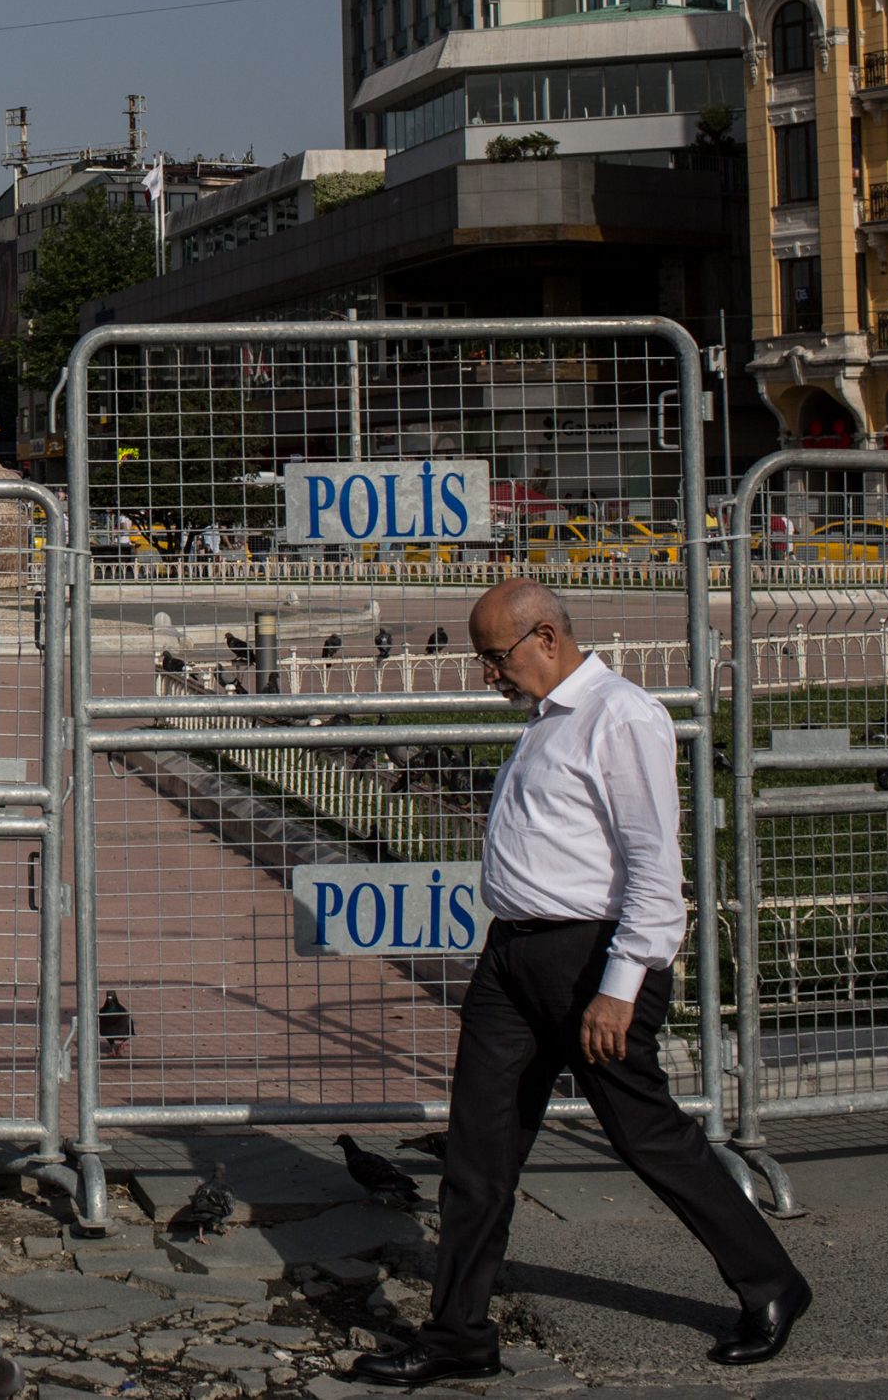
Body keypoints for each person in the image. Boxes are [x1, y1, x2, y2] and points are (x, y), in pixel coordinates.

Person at [351, 580, 810, 1387]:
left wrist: (620, 984)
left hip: (589, 963)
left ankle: (772, 1285)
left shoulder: (621, 716)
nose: (488, 673)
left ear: (547, 637)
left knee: (649, 1136)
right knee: (479, 1150)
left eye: (496, 656)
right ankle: (459, 1332)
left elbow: (655, 866)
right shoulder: (546, 719)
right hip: (513, 959)